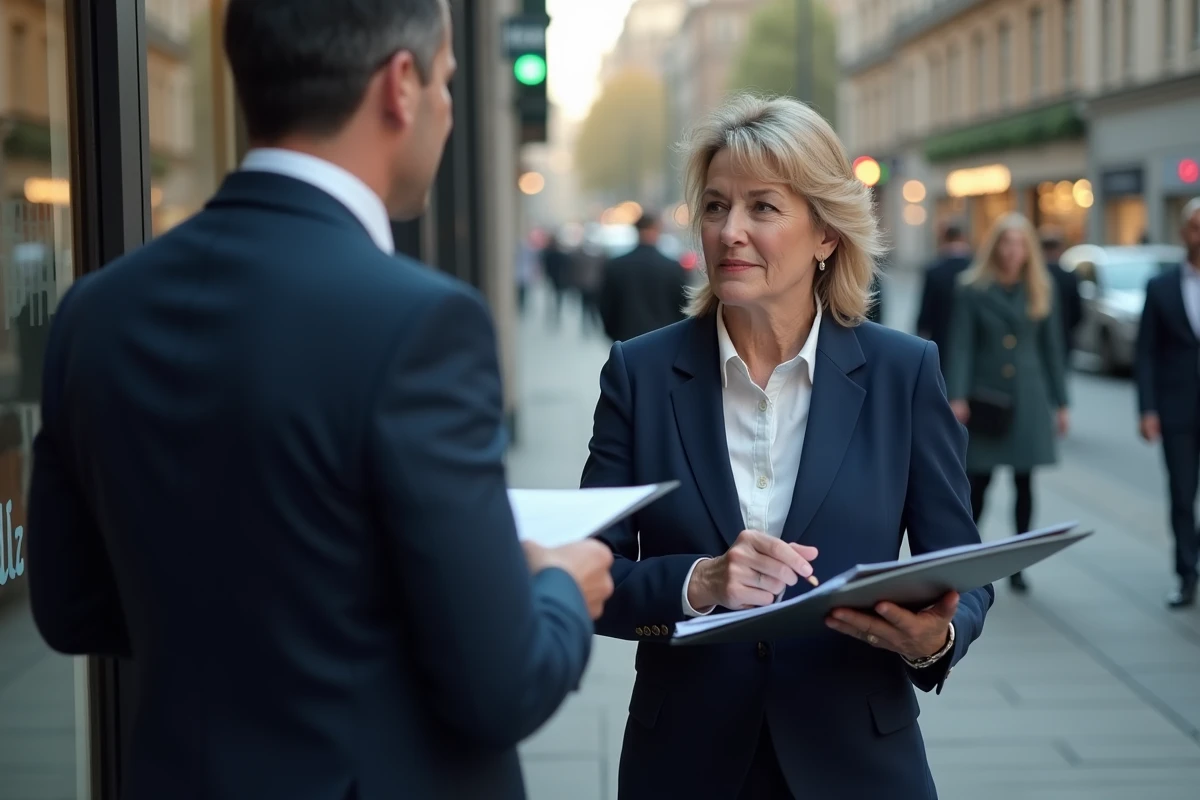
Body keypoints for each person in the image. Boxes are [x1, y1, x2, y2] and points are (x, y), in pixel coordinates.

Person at [26, 2, 612, 799]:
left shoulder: (94, 312)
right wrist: (559, 590)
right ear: (400, 86)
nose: (447, 107)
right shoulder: (421, 325)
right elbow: (503, 685)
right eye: (445, 80)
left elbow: (71, 612)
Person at [581, 94, 994, 800]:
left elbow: (961, 567)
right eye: (715, 207)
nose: (730, 231)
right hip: (685, 764)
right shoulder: (639, 374)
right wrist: (700, 582)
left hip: (860, 763)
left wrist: (938, 639)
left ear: (827, 234)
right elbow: (589, 574)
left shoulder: (902, 371)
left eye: (762, 208)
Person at [945, 213, 1069, 594]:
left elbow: (1053, 349)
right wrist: (957, 394)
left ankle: (1018, 565)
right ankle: (970, 558)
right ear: (995, 246)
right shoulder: (972, 288)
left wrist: (1061, 403)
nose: (1013, 251)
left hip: (1029, 397)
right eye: (1006, 242)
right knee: (978, 482)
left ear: (1028, 248)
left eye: (1019, 243)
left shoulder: (1041, 288)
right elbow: (961, 344)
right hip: (986, 395)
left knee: (1024, 481)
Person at [1135, 197, 1200, 608]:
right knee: (1181, 495)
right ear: (1184, 233)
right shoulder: (1161, 287)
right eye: (1196, 227)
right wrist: (1147, 409)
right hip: (1177, 410)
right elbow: (1146, 353)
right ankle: (1186, 573)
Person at [597, 211, 688, 342]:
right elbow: (682, 308)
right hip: (664, 342)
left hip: (626, 341)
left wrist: (614, 335)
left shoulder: (616, 265)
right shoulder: (672, 267)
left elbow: (606, 306)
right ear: (657, 230)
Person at [915, 221, 973, 370]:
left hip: (941, 340)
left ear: (944, 239)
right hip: (972, 341)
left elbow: (925, 312)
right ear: (963, 237)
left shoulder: (934, 271)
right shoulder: (976, 268)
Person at [1039, 226, 1083, 364]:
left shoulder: (1035, 276)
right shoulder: (1069, 276)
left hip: (1040, 338)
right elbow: (1078, 313)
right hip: (1063, 337)